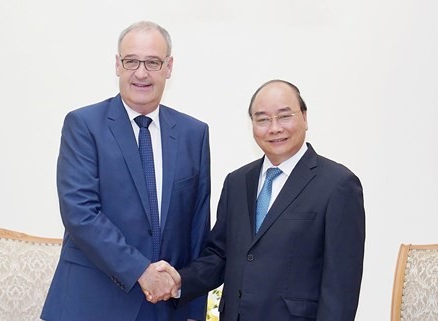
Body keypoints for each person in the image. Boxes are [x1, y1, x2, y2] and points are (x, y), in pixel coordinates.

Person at [41, 21, 211, 321]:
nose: (141, 73)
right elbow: (80, 213)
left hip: (165, 309)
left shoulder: (193, 134)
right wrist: (141, 271)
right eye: (131, 61)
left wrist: (194, 310)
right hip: (91, 304)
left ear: (169, 67)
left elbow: (197, 228)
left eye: (152, 62)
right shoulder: (84, 125)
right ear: (117, 65)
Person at [155, 79, 365, 321]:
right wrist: (180, 280)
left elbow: (341, 287)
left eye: (284, 116)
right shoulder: (237, 181)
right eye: (262, 119)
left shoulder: (338, 185)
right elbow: (220, 255)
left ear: (305, 118)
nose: (274, 128)